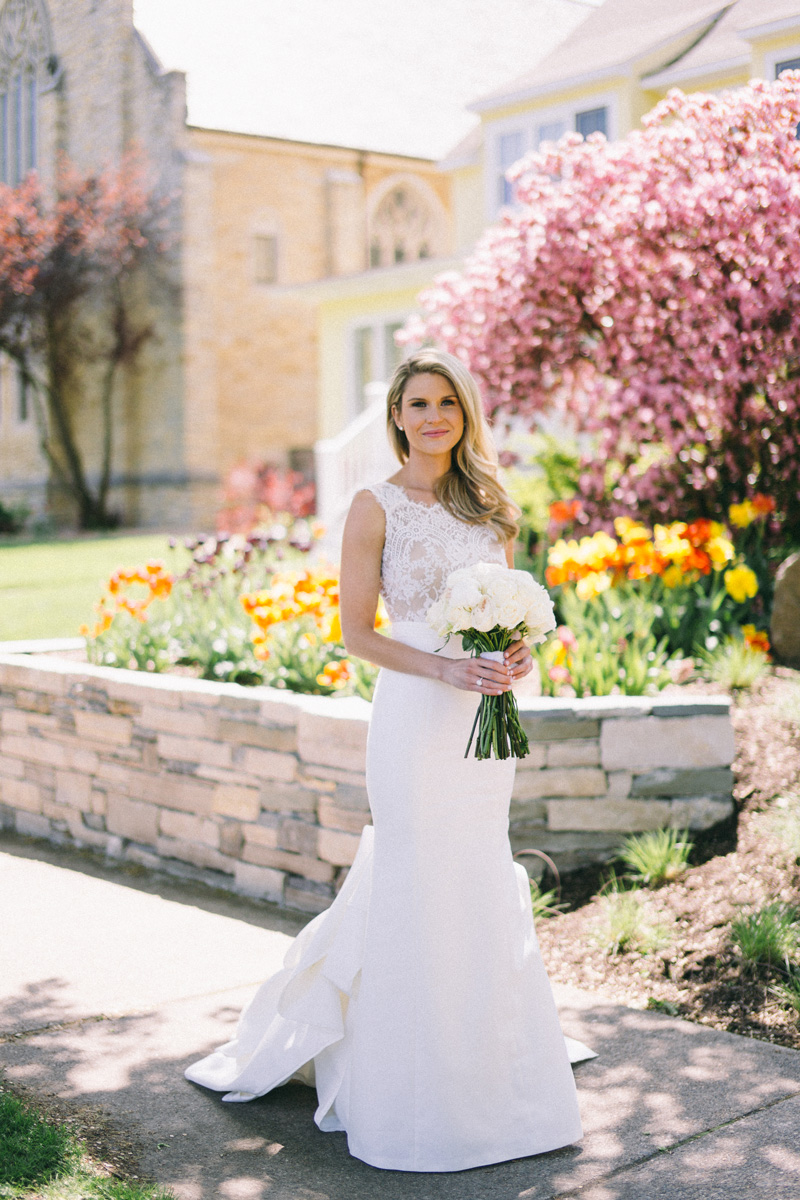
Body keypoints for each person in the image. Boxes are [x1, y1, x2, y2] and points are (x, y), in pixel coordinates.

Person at [185, 348, 593, 1172]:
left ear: (464, 413)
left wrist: (515, 660)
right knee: (415, 874)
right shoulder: (374, 506)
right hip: (415, 716)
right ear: (398, 416)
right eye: (419, 403)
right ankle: (408, 1082)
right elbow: (357, 632)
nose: (434, 415)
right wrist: (442, 666)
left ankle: (488, 1066)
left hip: (485, 716)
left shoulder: (489, 508)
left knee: (476, 872)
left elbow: (514, 619)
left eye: (448, 401)